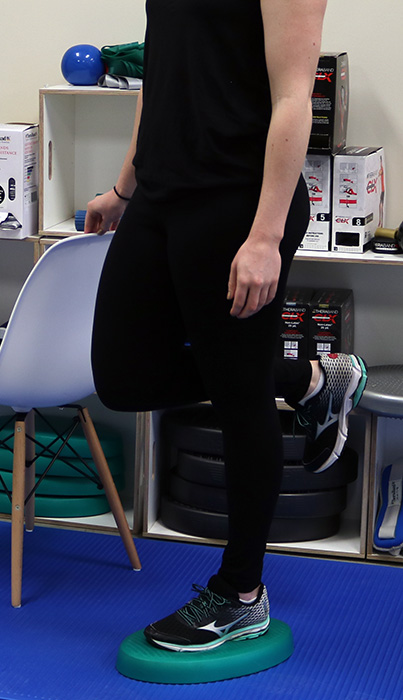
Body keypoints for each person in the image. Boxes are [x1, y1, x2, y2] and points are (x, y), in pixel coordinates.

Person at [85, 0, 367, 653]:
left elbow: (294, 97)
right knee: (121, 376)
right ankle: (306, 379)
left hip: (235, 199)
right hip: (160, 193)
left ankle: (241, 594)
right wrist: (124, 189)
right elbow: (159, 77)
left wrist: (265, 236)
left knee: (239, 398)